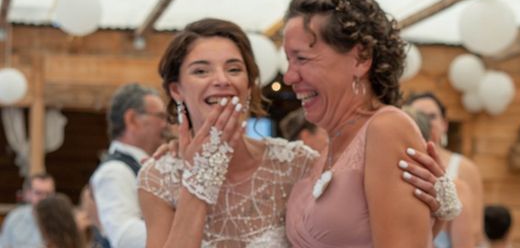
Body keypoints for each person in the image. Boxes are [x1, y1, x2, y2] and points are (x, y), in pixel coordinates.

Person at [139, 15, 452, 247]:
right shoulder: (160, 176)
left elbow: (362, 238)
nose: (221, 79)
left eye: (234, 69)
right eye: (201, 70)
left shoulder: (294, 164)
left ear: (248, 86)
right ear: (177, 90)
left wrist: (436, 209)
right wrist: (198, 181)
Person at [283, 0, 459, 246]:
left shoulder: (387, 129)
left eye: (302, 58)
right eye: (288, 60)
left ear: (361, 58)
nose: (289, 77)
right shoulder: (325, 152)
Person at [91, 83, 168, 248]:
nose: (165, 124)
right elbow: (125, 237)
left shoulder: (146, 165)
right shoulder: (114, 171)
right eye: (160, 116)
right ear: (132, 119)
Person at [408, 91, 485, 245]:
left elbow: (476, 229)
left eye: (432, 116)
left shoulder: (465, 168)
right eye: (420, 116)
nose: (427, 122)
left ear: (444, 124)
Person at [0, 172, 55, 248]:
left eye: (48, 194)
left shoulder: (60, 220)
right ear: (28, 194)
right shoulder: (15, 218)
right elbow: (3, 245)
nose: (44, 198)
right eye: (38, 193)